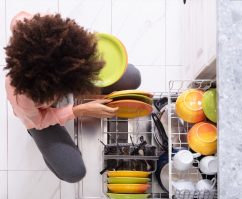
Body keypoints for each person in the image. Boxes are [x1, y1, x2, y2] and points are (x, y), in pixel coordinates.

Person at [5, 12, 141, 183]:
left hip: (64, 76)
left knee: (133, 77)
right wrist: (80, 109)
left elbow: (20, 18)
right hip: (39, 117)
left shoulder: (52, 35)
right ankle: (37, 136)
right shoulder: (22, 95)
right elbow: (38, 120)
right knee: (73, 172)